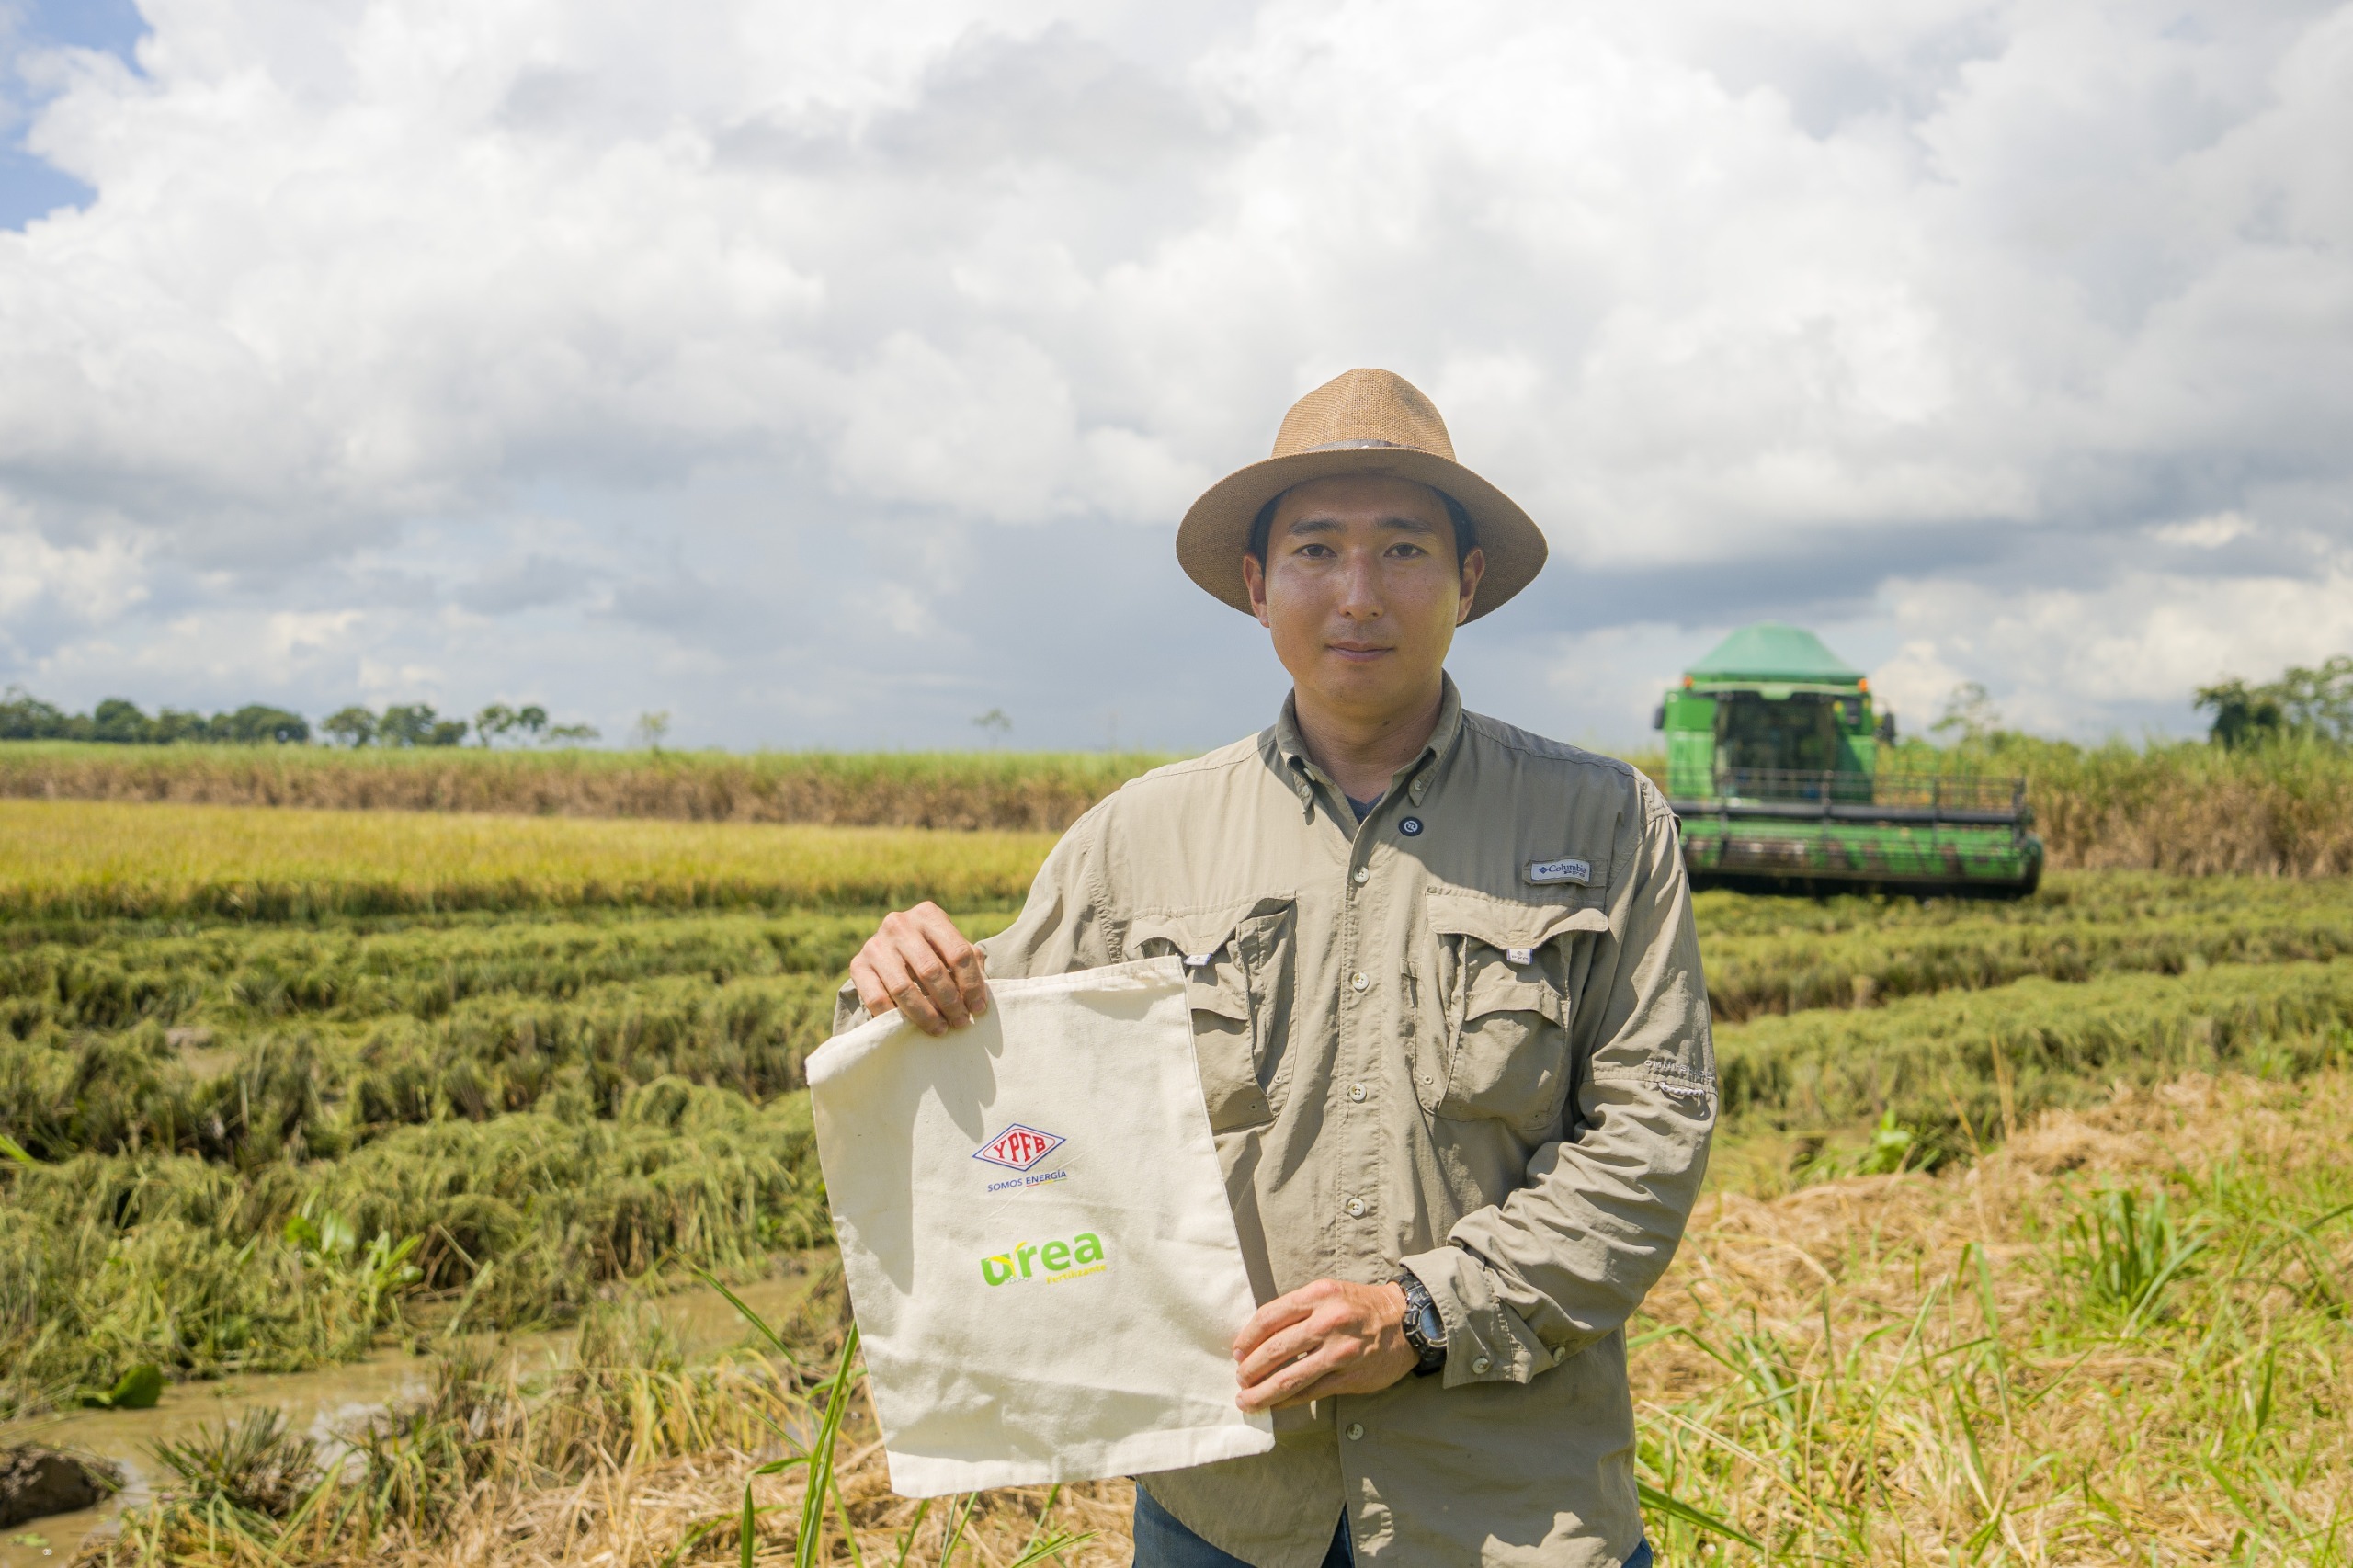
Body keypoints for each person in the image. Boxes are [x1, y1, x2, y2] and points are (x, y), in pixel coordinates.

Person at [841, 368, 1714, 1568]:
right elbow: (974, 1068)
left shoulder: (1605, 823)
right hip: (1228, 1508)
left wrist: (1421, 1311)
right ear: (1258, 587)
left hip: (1512, 1507)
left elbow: (1649, 1143)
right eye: (1316, 549)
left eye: (1403, 548)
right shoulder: (1138, 839)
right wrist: (893, 981)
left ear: (1466, 581)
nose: (1359, 592)